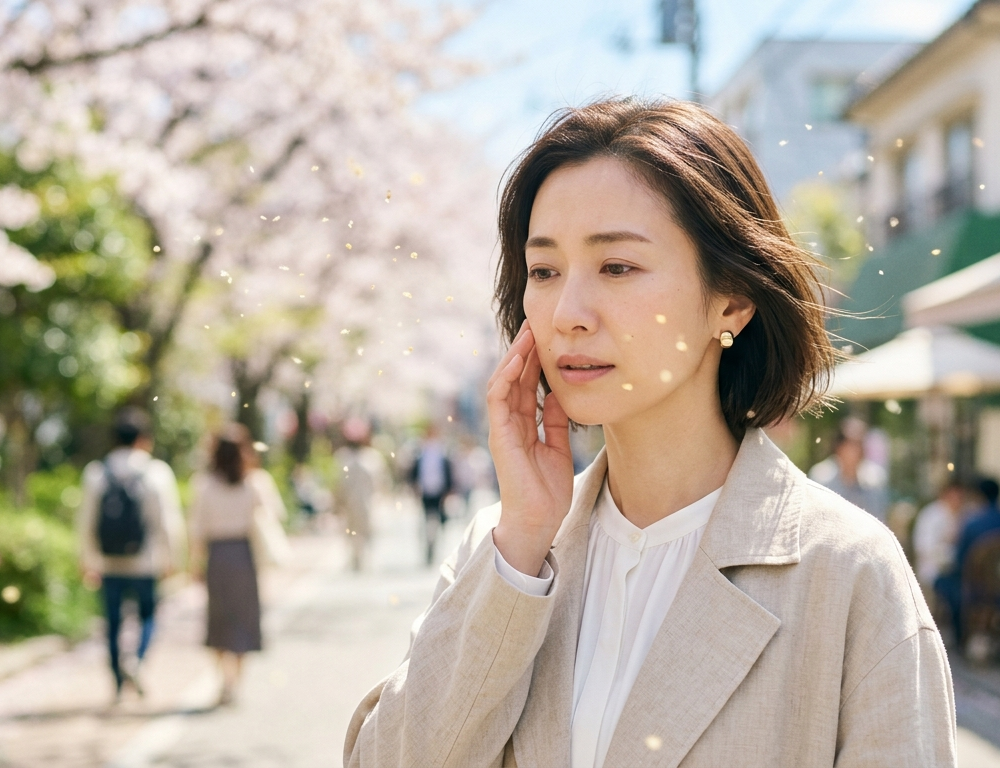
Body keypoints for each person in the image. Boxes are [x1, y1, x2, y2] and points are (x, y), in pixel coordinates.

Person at [345, 98, 956, 767]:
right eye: (544, 271)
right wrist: (521, 539)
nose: (568, 313)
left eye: (617, 267)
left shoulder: (846, 572)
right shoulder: (504, 553)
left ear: (731, 300)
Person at [76, 408, 185, 702]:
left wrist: (87, 559)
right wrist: (171, 558)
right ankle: (136, 660)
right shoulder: (156, 473)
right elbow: (168, 521)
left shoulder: (97, 473)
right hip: (145, 561)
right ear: (144, 439)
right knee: (148, 616)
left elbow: (86, 521)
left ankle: (116, 682)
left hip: (109, 561)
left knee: (112, 623)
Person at [188, 423, 288, 706]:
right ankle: (236, 681)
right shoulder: (255, 481)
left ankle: (224, 679)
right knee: (243, 619)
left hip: (217, 556)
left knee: (219, 620)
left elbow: (197, 530)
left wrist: (195, 564)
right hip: (245, 555)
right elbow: (274, 514)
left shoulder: (204, 484)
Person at [933, 478, 1000, 646]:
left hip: (979, 591)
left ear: (978, 496)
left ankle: (960, 638)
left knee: (941, 581)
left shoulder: (972, 524)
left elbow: (960, 562)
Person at [808, 420, 889, 523]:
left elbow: (879, 519)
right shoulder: (821, 477)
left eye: (860, 444)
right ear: (839, 447)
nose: (857, 450)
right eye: (851, 444)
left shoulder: (875, 480)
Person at [335, 418, 383, 571]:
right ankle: (355, 557)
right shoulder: (342, 457)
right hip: (350, 502)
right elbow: (338, 482)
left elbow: (379, 483)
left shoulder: (372, 457)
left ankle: (362, 557)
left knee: (365, 530)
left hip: (366, 501)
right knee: (351, 530)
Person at [409, 425, 454, 566]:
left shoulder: (442, 453)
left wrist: (448, 490)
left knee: (436, 522)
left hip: (438, 492)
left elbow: (448, 472)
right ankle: (428, 548)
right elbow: (414, 473)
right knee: (427, 521)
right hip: (425, 492)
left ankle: (433, 546)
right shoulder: (420, 454)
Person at [912, 482, 969, 590]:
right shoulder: (931, 515)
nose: (957, 500)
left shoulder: (966, 513)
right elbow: (924, 547)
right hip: (936, 569)